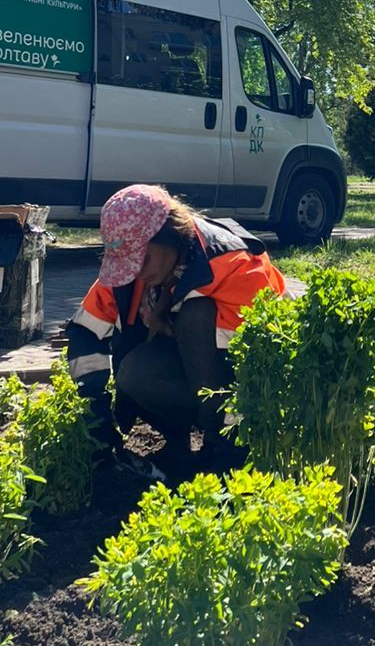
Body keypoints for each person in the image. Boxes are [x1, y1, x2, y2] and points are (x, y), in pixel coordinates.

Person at [65, 184, 286, 480]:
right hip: (192, 378)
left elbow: (250, 371)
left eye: (142, 259)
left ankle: (221, 442)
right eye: (128, 263)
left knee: (196, 313)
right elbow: (85, 333)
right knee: (134, 372)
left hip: (242, 392)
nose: (136, 271)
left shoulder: (234, 267)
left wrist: (231, 446)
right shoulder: (130, 273)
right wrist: (96, 416)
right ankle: (177, 439)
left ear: (169, 235)